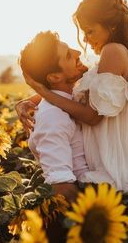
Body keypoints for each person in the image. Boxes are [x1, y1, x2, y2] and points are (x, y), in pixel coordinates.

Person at [17, 0, 128, 227]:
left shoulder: (113, 51)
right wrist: (34, 99)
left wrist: (45, 94)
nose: (85, 39)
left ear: (112, 25)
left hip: (124, 174)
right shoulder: (113, 56)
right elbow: (75, 87)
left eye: (90, 30)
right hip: (125, 172)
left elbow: (93, 116)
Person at [19, 30, 90, 203]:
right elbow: (62, 187)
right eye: (67, 55)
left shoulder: (72, 100)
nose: (78, 52)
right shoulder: (52, 116)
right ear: (55, 76)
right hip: (89, 200)